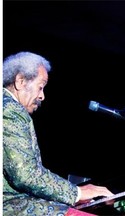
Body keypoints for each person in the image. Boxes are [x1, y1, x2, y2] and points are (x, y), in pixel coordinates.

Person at [2, 51, 114, 216]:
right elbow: (25, 174)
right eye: (40, 87)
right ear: (20, 81)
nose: (42, 96)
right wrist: (77, 193)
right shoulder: (11, 109)